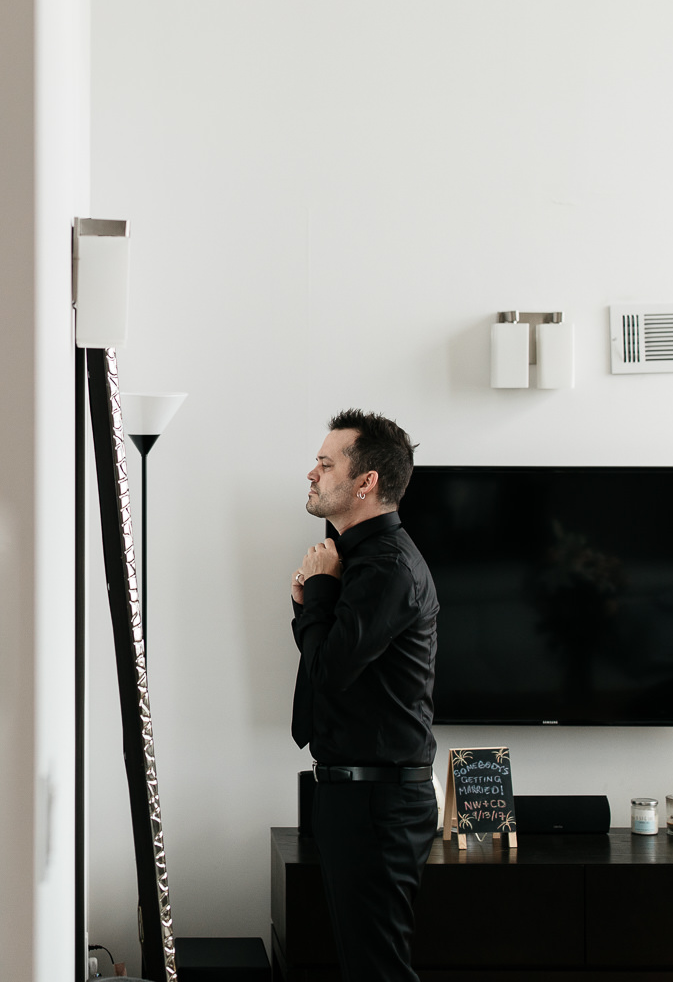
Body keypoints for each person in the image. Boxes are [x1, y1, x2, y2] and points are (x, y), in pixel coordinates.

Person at [290, 409, 439, 982]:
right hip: (356, 796)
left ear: (366, 481)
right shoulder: (355, 558)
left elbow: (327, 670)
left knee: (379, 973)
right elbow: (326, 660)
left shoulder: (387, 567)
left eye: (327, 464)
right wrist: (312, 601)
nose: (312, 473)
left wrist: (318, 592)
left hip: (379, 804)